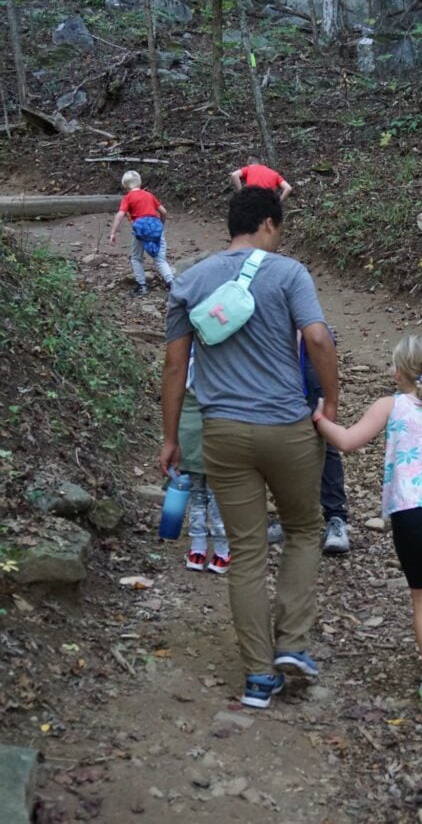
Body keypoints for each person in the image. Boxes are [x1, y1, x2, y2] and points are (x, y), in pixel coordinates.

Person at [161, 186, 338, 710]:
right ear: (268, 223)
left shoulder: (190, 280)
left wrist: (171, 437)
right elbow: (318, 338)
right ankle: (293, 645)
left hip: (222, 432)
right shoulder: (288, 273)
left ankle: (258, 677)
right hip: (287, 428)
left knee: (246, 549)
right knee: (304, 528)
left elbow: (174, 366)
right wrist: (330, 401)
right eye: (279, 229)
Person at [313, 334, 422, 714]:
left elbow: (347, 441)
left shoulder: (389, 406)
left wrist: (319, 419)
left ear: (397, 372)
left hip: (411, 515)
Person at [268, 334, 350, 554]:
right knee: (280, 436)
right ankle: (290, 516)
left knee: (322, 432)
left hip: (307, 348)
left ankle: (335, 518)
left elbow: (313, 328)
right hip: (273, 348)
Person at [179, 345, 231, 574]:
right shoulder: (230, 353)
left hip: (189, 428)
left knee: (197, 493)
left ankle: (198, 550)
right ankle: (221, 550)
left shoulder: (186, 352)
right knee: (216, 492)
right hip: (219, 425)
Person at [109, 170, 174, 296]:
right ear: (140, 182)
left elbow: (120, 214)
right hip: (155, 227)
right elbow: (164, 212)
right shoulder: (149, 195)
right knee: (160, 259)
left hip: (140, 230)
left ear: (124, 185)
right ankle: (172, 283)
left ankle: (142, 286)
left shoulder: (128, 198)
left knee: (136, 258)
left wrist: (113, 233)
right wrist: (160, 225)